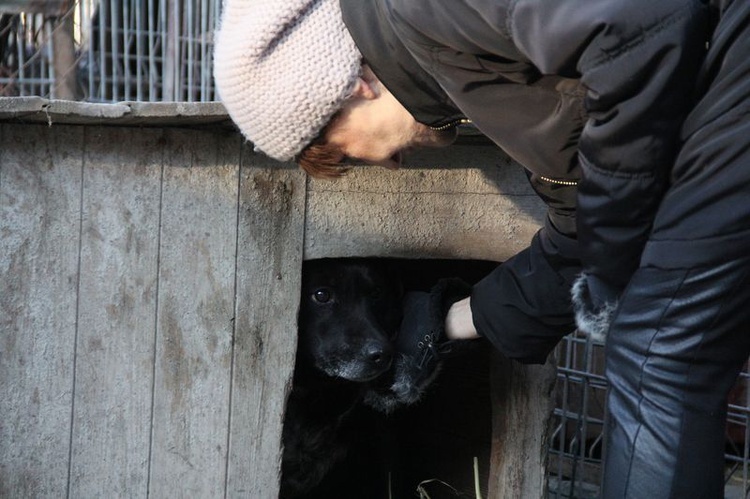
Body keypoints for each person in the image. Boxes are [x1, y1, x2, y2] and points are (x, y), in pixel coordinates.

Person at [214, 0, 750, 497]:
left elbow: (638, 24)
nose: (387, 165)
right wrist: (445, 321)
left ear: (349, 87)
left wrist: (615, 237)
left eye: (344, 153)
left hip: (732, 86)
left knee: (654, 349)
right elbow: (577, 242)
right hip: (717, 120)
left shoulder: (424, 9)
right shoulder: (472, 80)